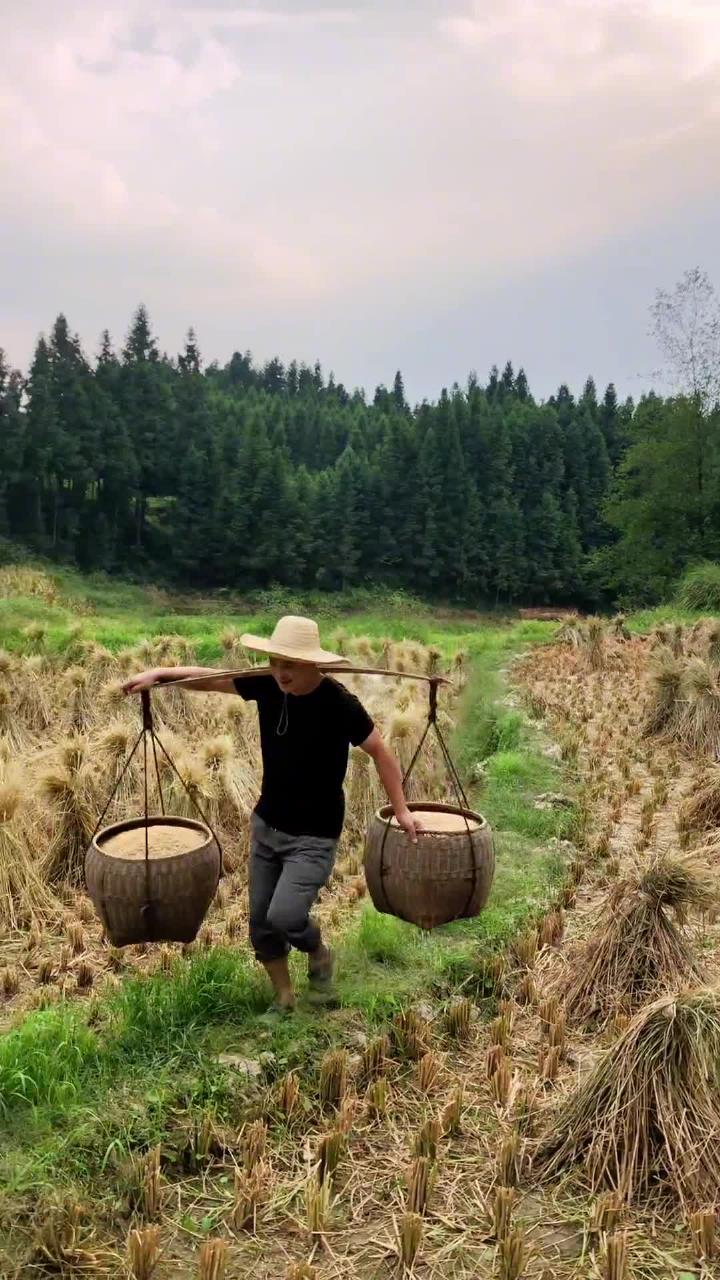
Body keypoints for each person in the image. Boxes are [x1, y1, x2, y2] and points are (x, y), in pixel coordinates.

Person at [122, 615, 420, 1013]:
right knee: (261, 925)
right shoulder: (267, 685)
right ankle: (284, 998)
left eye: (290, 664)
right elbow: (211, 678)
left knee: (286, 915)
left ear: (314, 663)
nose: (280, 672)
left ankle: (317, 951)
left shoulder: (339, 704)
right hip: (267, 827)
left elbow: (381, 752)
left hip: (314, 836)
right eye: (275, 662)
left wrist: (401, 809)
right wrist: (159, 675)